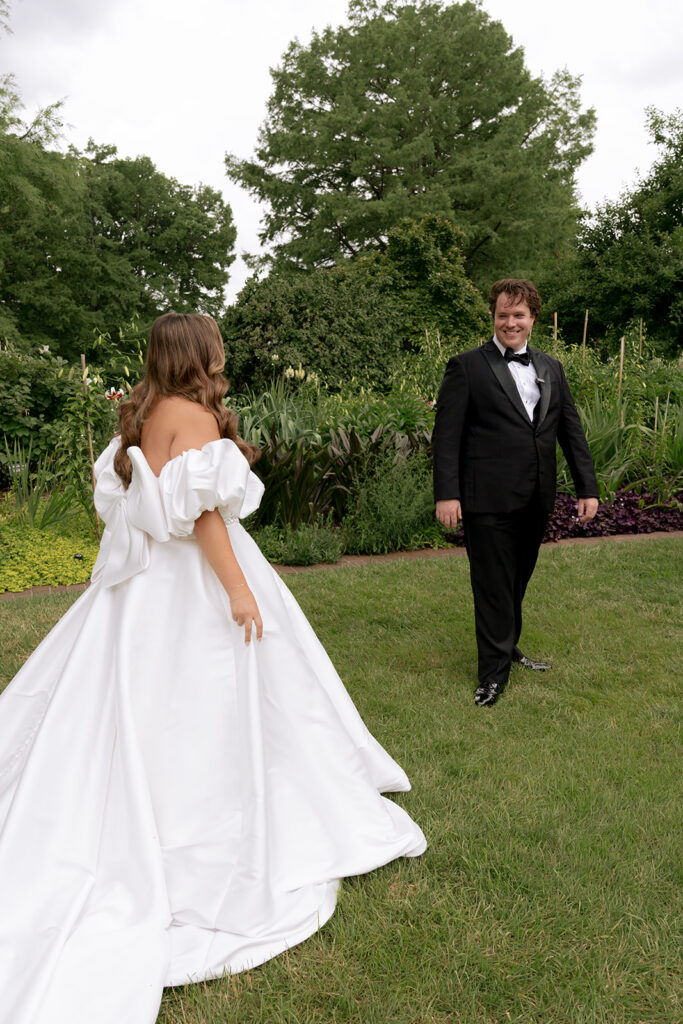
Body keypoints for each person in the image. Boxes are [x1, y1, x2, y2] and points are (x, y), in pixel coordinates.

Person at [0, 313, 426, 1024]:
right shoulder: (193, 417)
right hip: (191, 581)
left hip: (140, 592)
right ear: (202, 354)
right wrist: (236, 587)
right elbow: (203, 518)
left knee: (123, 698)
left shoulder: (139, 416)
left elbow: (139, 507)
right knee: (207, 707)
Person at [432, 279, 599, 708]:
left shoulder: (550, 367)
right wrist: (447, 494)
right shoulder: (466, 366)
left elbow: (570, 430)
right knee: (492, 585)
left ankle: (507, 646)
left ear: (532, 320)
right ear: (494, 317)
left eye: (518, 315)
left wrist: (587, 487)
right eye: (503, 315)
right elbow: (446, 436)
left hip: (535, 497)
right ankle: (492, 675)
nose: (510, 322)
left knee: (516, 581)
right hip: (485, 499)